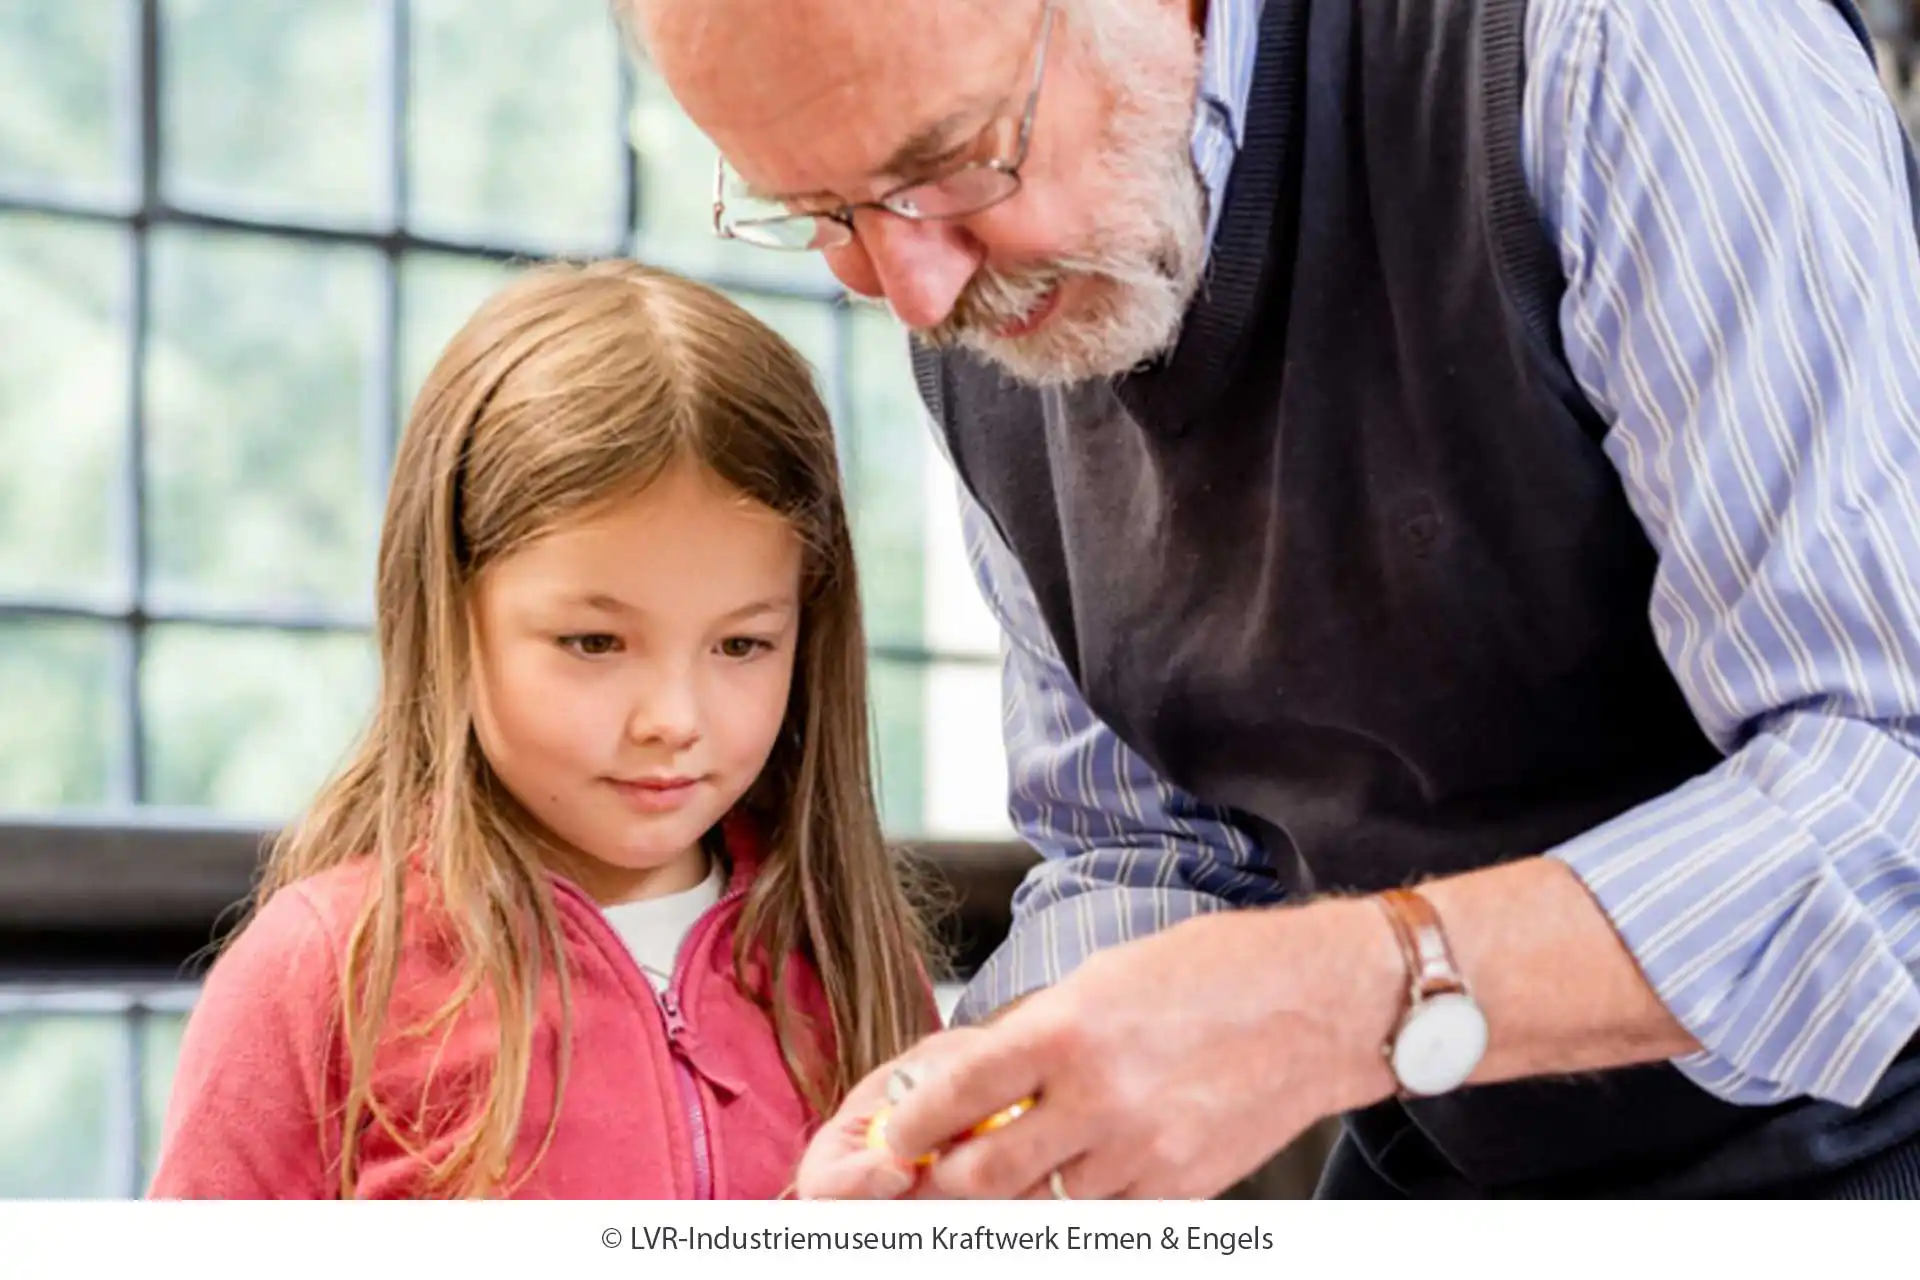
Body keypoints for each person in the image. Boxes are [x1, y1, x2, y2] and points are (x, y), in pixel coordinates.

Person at [627, 0, 1920, 1199]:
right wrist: (979, 1126)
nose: (918, 291)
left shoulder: (1619, 46)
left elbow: (1888, 775)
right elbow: (1147, 851)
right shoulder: (973, 296)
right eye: (822, 213)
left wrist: (1347, 997)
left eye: (956, 161)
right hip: (1452, 1147)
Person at [145, 260, 939, 1199]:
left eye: (743, 645)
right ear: (448, 609)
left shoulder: (850, 963)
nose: (673, 721)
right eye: (594, 641)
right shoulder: (318, 977)